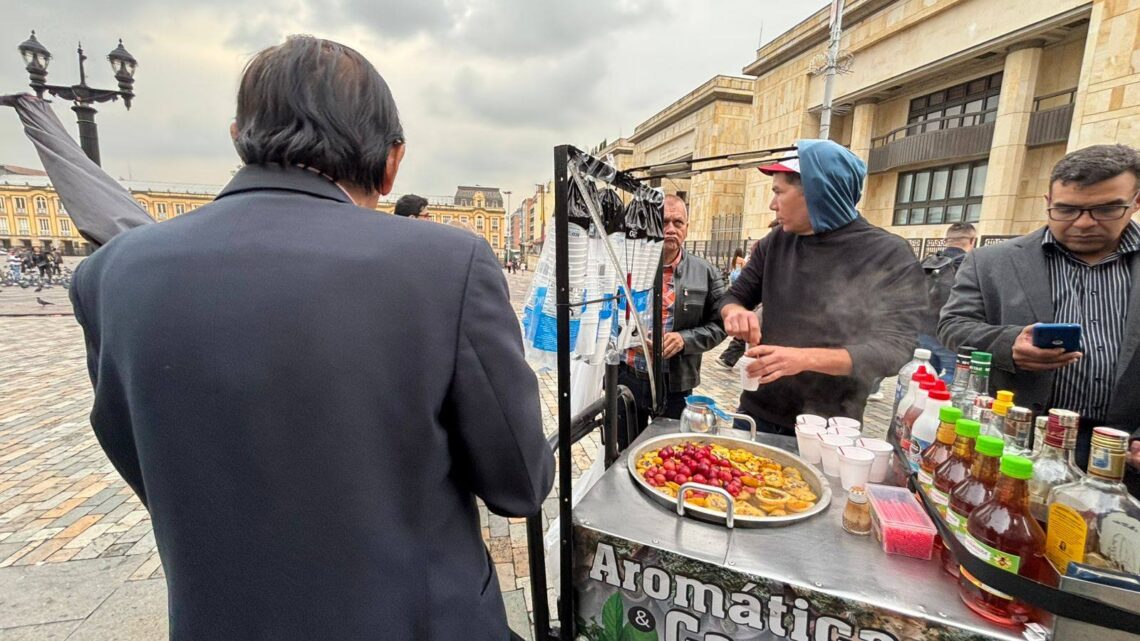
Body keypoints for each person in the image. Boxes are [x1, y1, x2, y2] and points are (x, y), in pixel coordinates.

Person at [68, 36, 553, 641]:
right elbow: (519, 483)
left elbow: (136, 450)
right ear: (391, 160)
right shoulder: (445, 263)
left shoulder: (110, 273)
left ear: (237, 135)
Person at [939, 144, 1140, 495]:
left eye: (1106, 209)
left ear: (1135, 201)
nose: (1083, 222)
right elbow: (953, 326)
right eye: (1066, 209)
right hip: (1020, 447)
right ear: (1048, 200)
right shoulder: (993, 262)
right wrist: (1008, 345)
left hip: (1127, 458)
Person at [720, 140, 928, 435]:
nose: (772, 204)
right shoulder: (776, 241)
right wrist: (735, 312)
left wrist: (801, 359)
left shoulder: (888, 254)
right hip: (757, 413)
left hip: (832, 427)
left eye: (779, 192)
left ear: (817, 191)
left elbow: (896, 349)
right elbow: (733, 296)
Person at [618, 194, 726, 441]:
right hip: (629, 377)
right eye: (664, 222)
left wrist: (684, 339)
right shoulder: (631, 266)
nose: (670, 229)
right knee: (624, 452)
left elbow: (721, 324)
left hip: (676, 384)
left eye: (678, 223)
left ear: (687, 228)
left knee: (669, 453)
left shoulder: (705, 272)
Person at [919, 222, 977, 381]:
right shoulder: (970, 265)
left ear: (946, 240)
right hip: (951, 334)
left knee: (921, 376)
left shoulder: (928, 261)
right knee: (953, 377)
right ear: (972, 240)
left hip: (922, 329)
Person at [717, 249, 749, 368]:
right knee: (746, 330)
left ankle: (728, 358)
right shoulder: (744, 262)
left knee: (746, 331)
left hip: (737, 293)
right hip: (743, 297)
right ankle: (728, 358)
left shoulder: (737, 261)